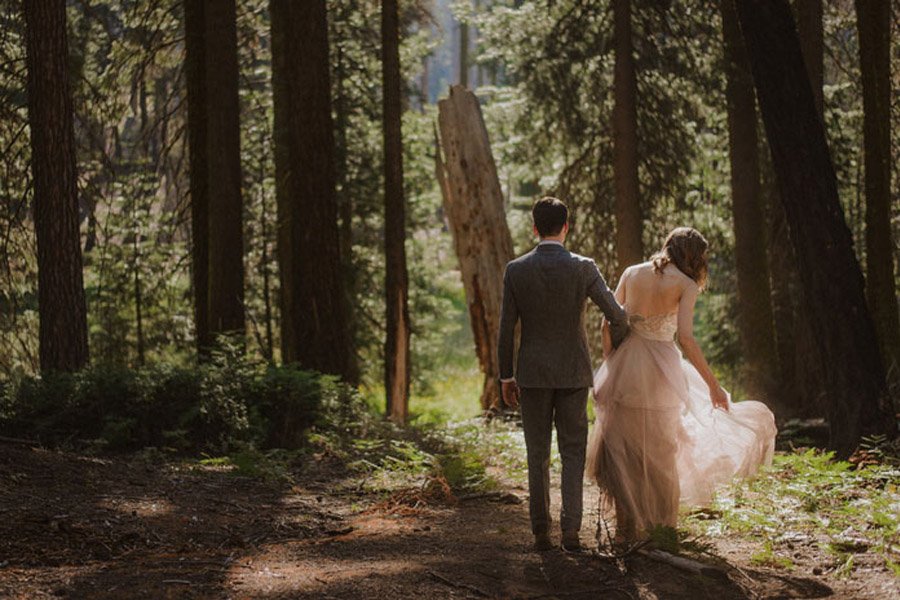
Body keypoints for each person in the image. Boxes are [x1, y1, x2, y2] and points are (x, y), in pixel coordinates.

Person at [586, 227, 776, 543]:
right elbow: (686, 338)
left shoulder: (632, 272)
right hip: (662, 371)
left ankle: (625, 528)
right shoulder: (685, 284)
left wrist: (611, 363)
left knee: (624, 450)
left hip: (626, 365)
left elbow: (608, 322)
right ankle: (664, 529)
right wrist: (713, 385)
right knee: (662, 451)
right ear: (693, 256)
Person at [498, 196, 630, 552]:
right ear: (566, 227)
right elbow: (616, 315)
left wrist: (505, 377)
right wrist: (617, 351)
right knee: (573, 452)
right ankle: (571, 532)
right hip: (573, 373)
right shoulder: (584, 267)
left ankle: (541, 532)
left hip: (532, 374)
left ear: (535, 228)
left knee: (536, 453)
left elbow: (506, 327)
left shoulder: (516, 269)